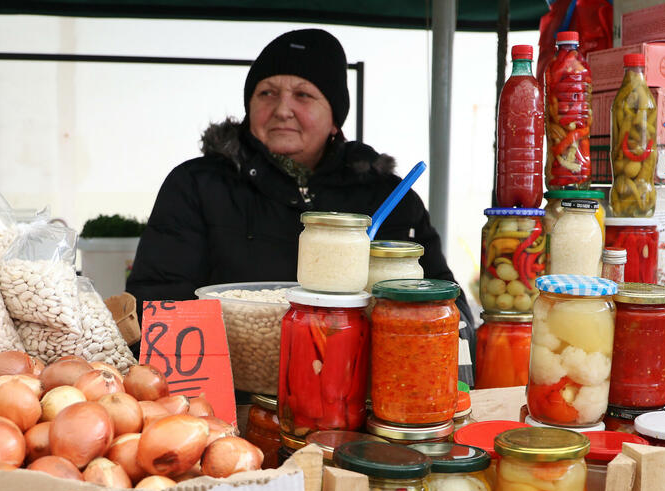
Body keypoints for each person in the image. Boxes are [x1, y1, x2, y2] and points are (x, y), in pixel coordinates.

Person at [126, 28, 474, 339]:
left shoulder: (390, 198)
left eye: (303, 95)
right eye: (267, 93)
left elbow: (448, 309)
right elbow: (159, 301)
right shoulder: (196, 185)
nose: (282, 109)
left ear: (335, 119)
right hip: (232, 390)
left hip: (366, 392)